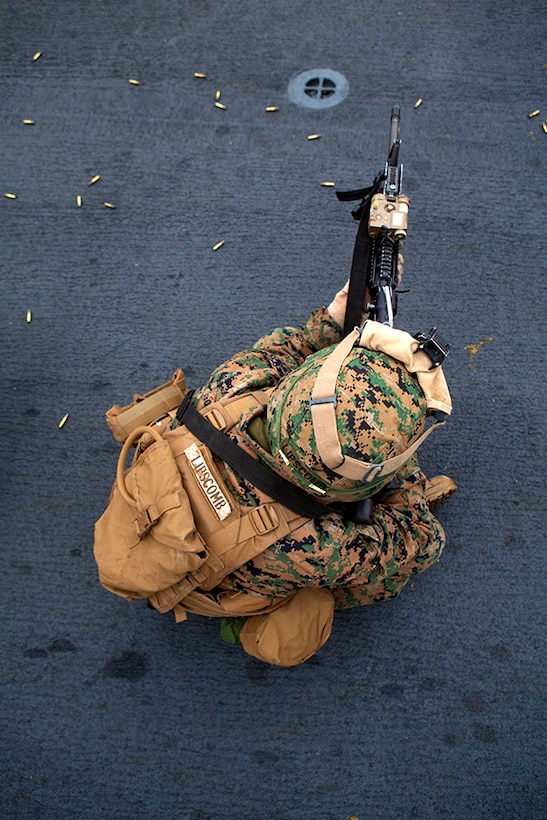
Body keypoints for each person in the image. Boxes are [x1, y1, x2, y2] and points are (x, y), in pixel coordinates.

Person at [175, 279, 456, 664]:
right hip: (227, 573)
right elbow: (424, 539)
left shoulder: (231, 386)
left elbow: (288, 350)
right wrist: (398, 458)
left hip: (167, 499)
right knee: (355, 586)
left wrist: (334, 318)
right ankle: (244, 620)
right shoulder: (318, 547)